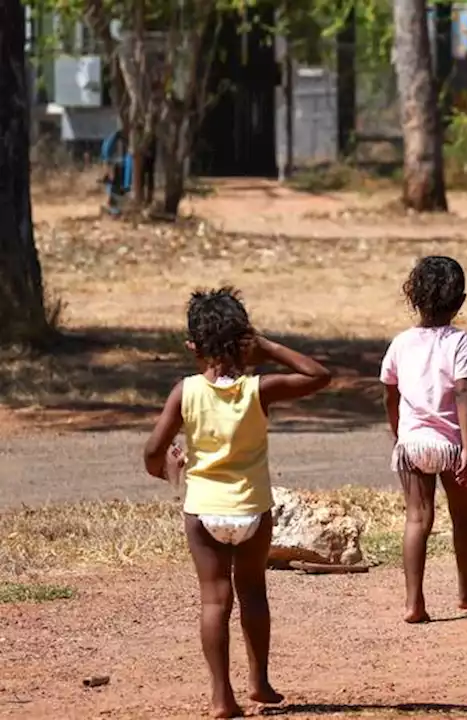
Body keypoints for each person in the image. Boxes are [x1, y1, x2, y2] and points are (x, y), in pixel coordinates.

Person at [143, 288, 331, 719]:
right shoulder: (258, 390)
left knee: (214, 602)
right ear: (244, 339)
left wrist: (167, 468)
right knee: (252, 593)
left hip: (204, 509)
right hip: (251, 510)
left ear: (192, 346)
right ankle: (260, 681)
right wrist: (268, 347)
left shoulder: (185, 392)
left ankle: (221, 697)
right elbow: (318, 375)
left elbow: (153, 452)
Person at [380, 256, 467, 624]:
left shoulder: (401, 343)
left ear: (412, 296)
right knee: (463, 519)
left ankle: (414, 603)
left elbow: (389, 393)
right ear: (460, 301)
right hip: (450, 445)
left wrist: (398, 432)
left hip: (412, 444)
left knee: (417, 520)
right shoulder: (459, 342)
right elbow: (463, 393)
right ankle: (465, 591)